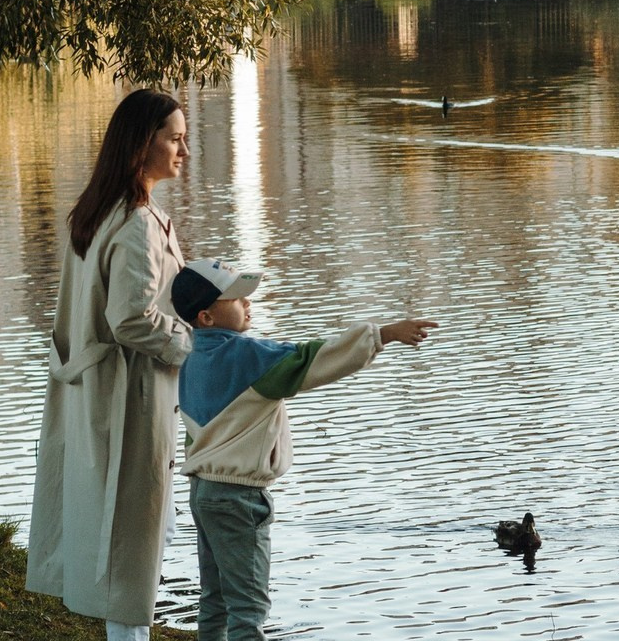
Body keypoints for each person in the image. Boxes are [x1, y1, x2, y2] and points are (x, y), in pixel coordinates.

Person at [171, 257, 438, 641]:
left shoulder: (190, 360)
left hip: (203, 492)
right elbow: (313, 359)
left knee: (215, 597)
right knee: (248, 606)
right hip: (239, 497)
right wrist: (382, 334)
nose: (247, 303)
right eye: (236, 298)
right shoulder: (249, 358)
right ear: (207, 316)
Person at [26, 88, 194, 641]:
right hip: (130, 399)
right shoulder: (137, 222)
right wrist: (194, 344)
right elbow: (130, 318)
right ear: (143, 144)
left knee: (123, 534)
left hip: (99, 393)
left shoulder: (99, 211)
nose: (184, 151)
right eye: (175, 139)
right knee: (132, 545)